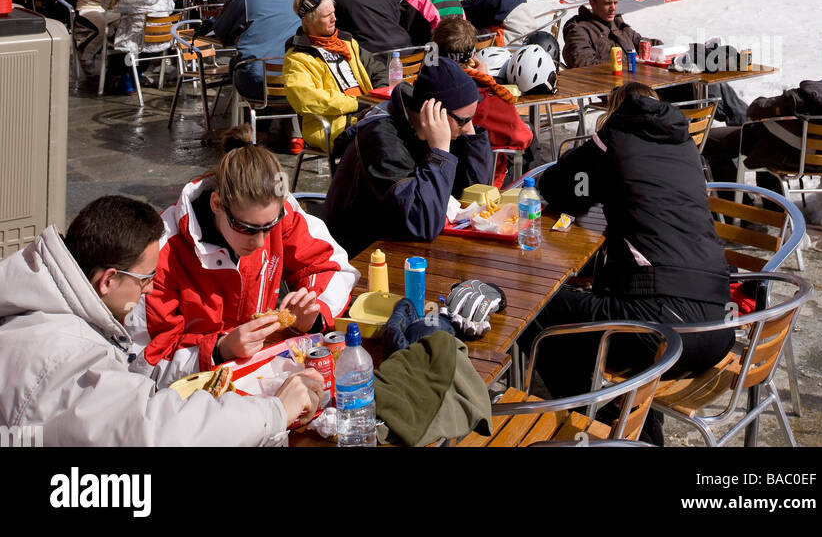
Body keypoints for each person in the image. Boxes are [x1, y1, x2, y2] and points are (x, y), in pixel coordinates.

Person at [0, 195, 324, 446]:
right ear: (108, 281)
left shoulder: (47, 308)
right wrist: (275, 411)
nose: (151, 287)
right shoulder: (61, 357)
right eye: (145, 279)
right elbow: (154, 430)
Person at [523, 84, 734, 442]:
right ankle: (635, 419)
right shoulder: (686, 145)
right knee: (593, 308)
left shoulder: (614, 138)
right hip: (720, 326)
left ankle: (611, 425)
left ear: (614, 111)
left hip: (667, 335)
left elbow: (560, 188)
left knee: (533, 306)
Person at [129, 128, 358, 386]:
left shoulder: (277, 209)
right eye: (247, 229)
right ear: (216, 204)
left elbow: (334, 267)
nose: (260, 242)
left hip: (259, 375)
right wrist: (220, 348)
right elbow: (143, 363)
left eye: (270, 227)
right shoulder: (161, 252)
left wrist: (313, 315)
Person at [323, 56, 494, 258]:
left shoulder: (441, 127)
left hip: (400, 248)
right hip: (359, 257)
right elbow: (422, 222)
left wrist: (470, 137)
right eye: (464, 120)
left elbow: (472, 194)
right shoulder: (381, 139)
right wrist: (440, 153)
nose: (467, 128)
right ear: (433, 112)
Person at [705, 22, 822, 185]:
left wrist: (759, 105)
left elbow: (758, 110)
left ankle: (736, 206)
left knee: (710, 141)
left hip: (796, 158)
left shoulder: (808, 96)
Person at [433, 16, 536, 184]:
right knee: (529, 135)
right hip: (482, 182)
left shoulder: (423, 88)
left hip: (436, 175)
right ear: (473, 55)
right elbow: (522, 138)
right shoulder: (489, 96)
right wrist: (486, 80)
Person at [282, 0, 373, 152]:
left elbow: (377, 68)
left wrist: (380, 96)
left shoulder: (347, 43)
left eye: (334, 13)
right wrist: (356, 104)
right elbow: (307, 99)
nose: (334, 19)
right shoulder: (297, 58)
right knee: (382, 138)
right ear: (308, 21)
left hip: (366, 113)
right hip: (334, 127)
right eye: (327, 16)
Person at [561, 0, 659, 68]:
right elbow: (584, 65)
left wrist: (663, 49)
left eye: (615, 3)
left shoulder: (618, 25)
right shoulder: (580, 31)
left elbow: (641, 43)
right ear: (593, 3)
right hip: (606, 85)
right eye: (607, 3)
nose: (613, 9)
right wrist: (623, 64)